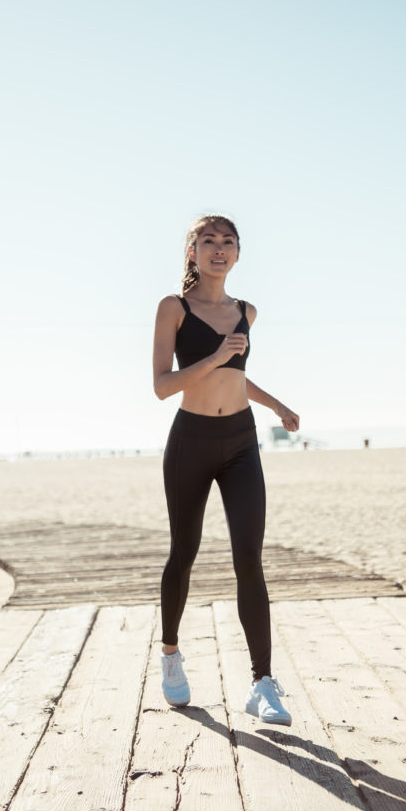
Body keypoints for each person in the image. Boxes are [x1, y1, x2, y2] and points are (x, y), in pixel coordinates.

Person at [152, 213, 300, 726]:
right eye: (208, 241)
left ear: (238, 253)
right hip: (191, 441)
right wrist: (215, 356)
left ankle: (262, 682)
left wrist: (277, 405)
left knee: (249, 560)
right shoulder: (173, 308)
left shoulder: (246, 311)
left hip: (240, 442)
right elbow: (163, 385)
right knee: (184, 554)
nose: (219, 248)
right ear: (191, 251)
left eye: (228, 242)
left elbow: (237, 378)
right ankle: (170, 654)